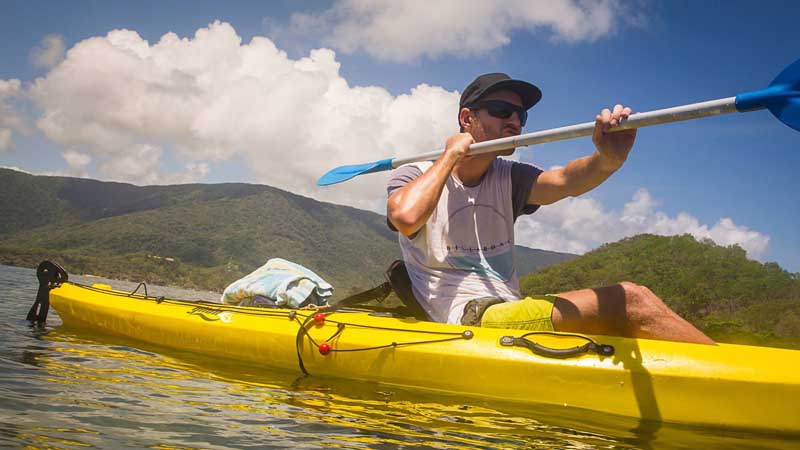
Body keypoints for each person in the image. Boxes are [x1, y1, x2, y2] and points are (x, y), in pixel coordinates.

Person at [386, 73, 714, 345]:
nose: (515, 121)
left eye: (521, 116)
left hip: (507, 312)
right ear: (467, 119)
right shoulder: (416, 174)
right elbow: (405, 217)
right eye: (502, 111)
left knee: (622, 318)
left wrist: (608, 160)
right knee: (631, 300)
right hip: (465, 318)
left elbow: (567, 180)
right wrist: (450, 156)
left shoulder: (510, 177)